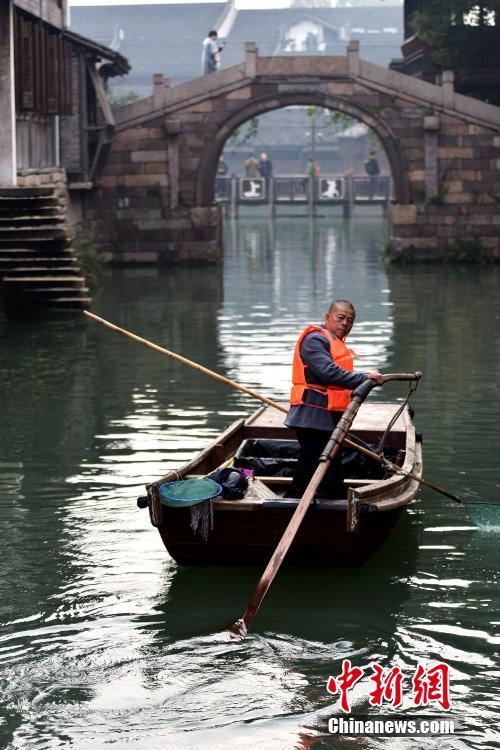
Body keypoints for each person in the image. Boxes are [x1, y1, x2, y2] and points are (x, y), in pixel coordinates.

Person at [284, 300, 384, 498]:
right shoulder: (314, 340)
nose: (345, 323)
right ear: (327, 317)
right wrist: (365, 378)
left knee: (329, 465)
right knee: (315, 465)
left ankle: (329, 500)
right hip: (312, 416)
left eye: (350, 320)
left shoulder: (334, 342)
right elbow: (329, 373)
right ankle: (299, 503)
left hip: (327, 417)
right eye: (340, 317)